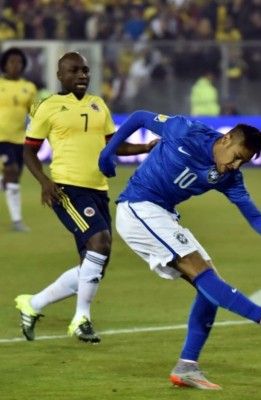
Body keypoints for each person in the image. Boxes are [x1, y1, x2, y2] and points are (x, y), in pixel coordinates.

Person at [98, 110, 261, 390]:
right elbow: (139, 117)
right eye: (236, 156)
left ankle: (187, 366)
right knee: (205, 277)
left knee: (210, 288)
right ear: (226, 140)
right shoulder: (184, 131)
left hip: (162, 214)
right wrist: (108, 153)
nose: (236, 166)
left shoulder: (229, 178)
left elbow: (255, 216)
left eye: (243, 162)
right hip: (138, 207)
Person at [15, 52, 156, 344]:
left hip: (98, 188)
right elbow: (29, 149)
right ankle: (81, 320)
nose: (81, 75)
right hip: (66, 188)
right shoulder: (47, 107)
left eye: (85, 70)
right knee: (99, 242)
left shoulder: (98, 105)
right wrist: (44, 181)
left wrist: (146, 147)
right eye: (74, 70)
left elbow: (112, 145)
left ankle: (33, 304)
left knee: (94, 264)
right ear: (60, 75)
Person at [0, 47, 37, 232]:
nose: (16, 65)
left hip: (19, 139)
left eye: (19, 62)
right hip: (1, 138)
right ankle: (17, 221)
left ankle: (17, 221)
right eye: (12, 62)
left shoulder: (29, 88)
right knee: (12, 170)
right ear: (4, 64)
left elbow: (34, 114)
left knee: (13, 180)